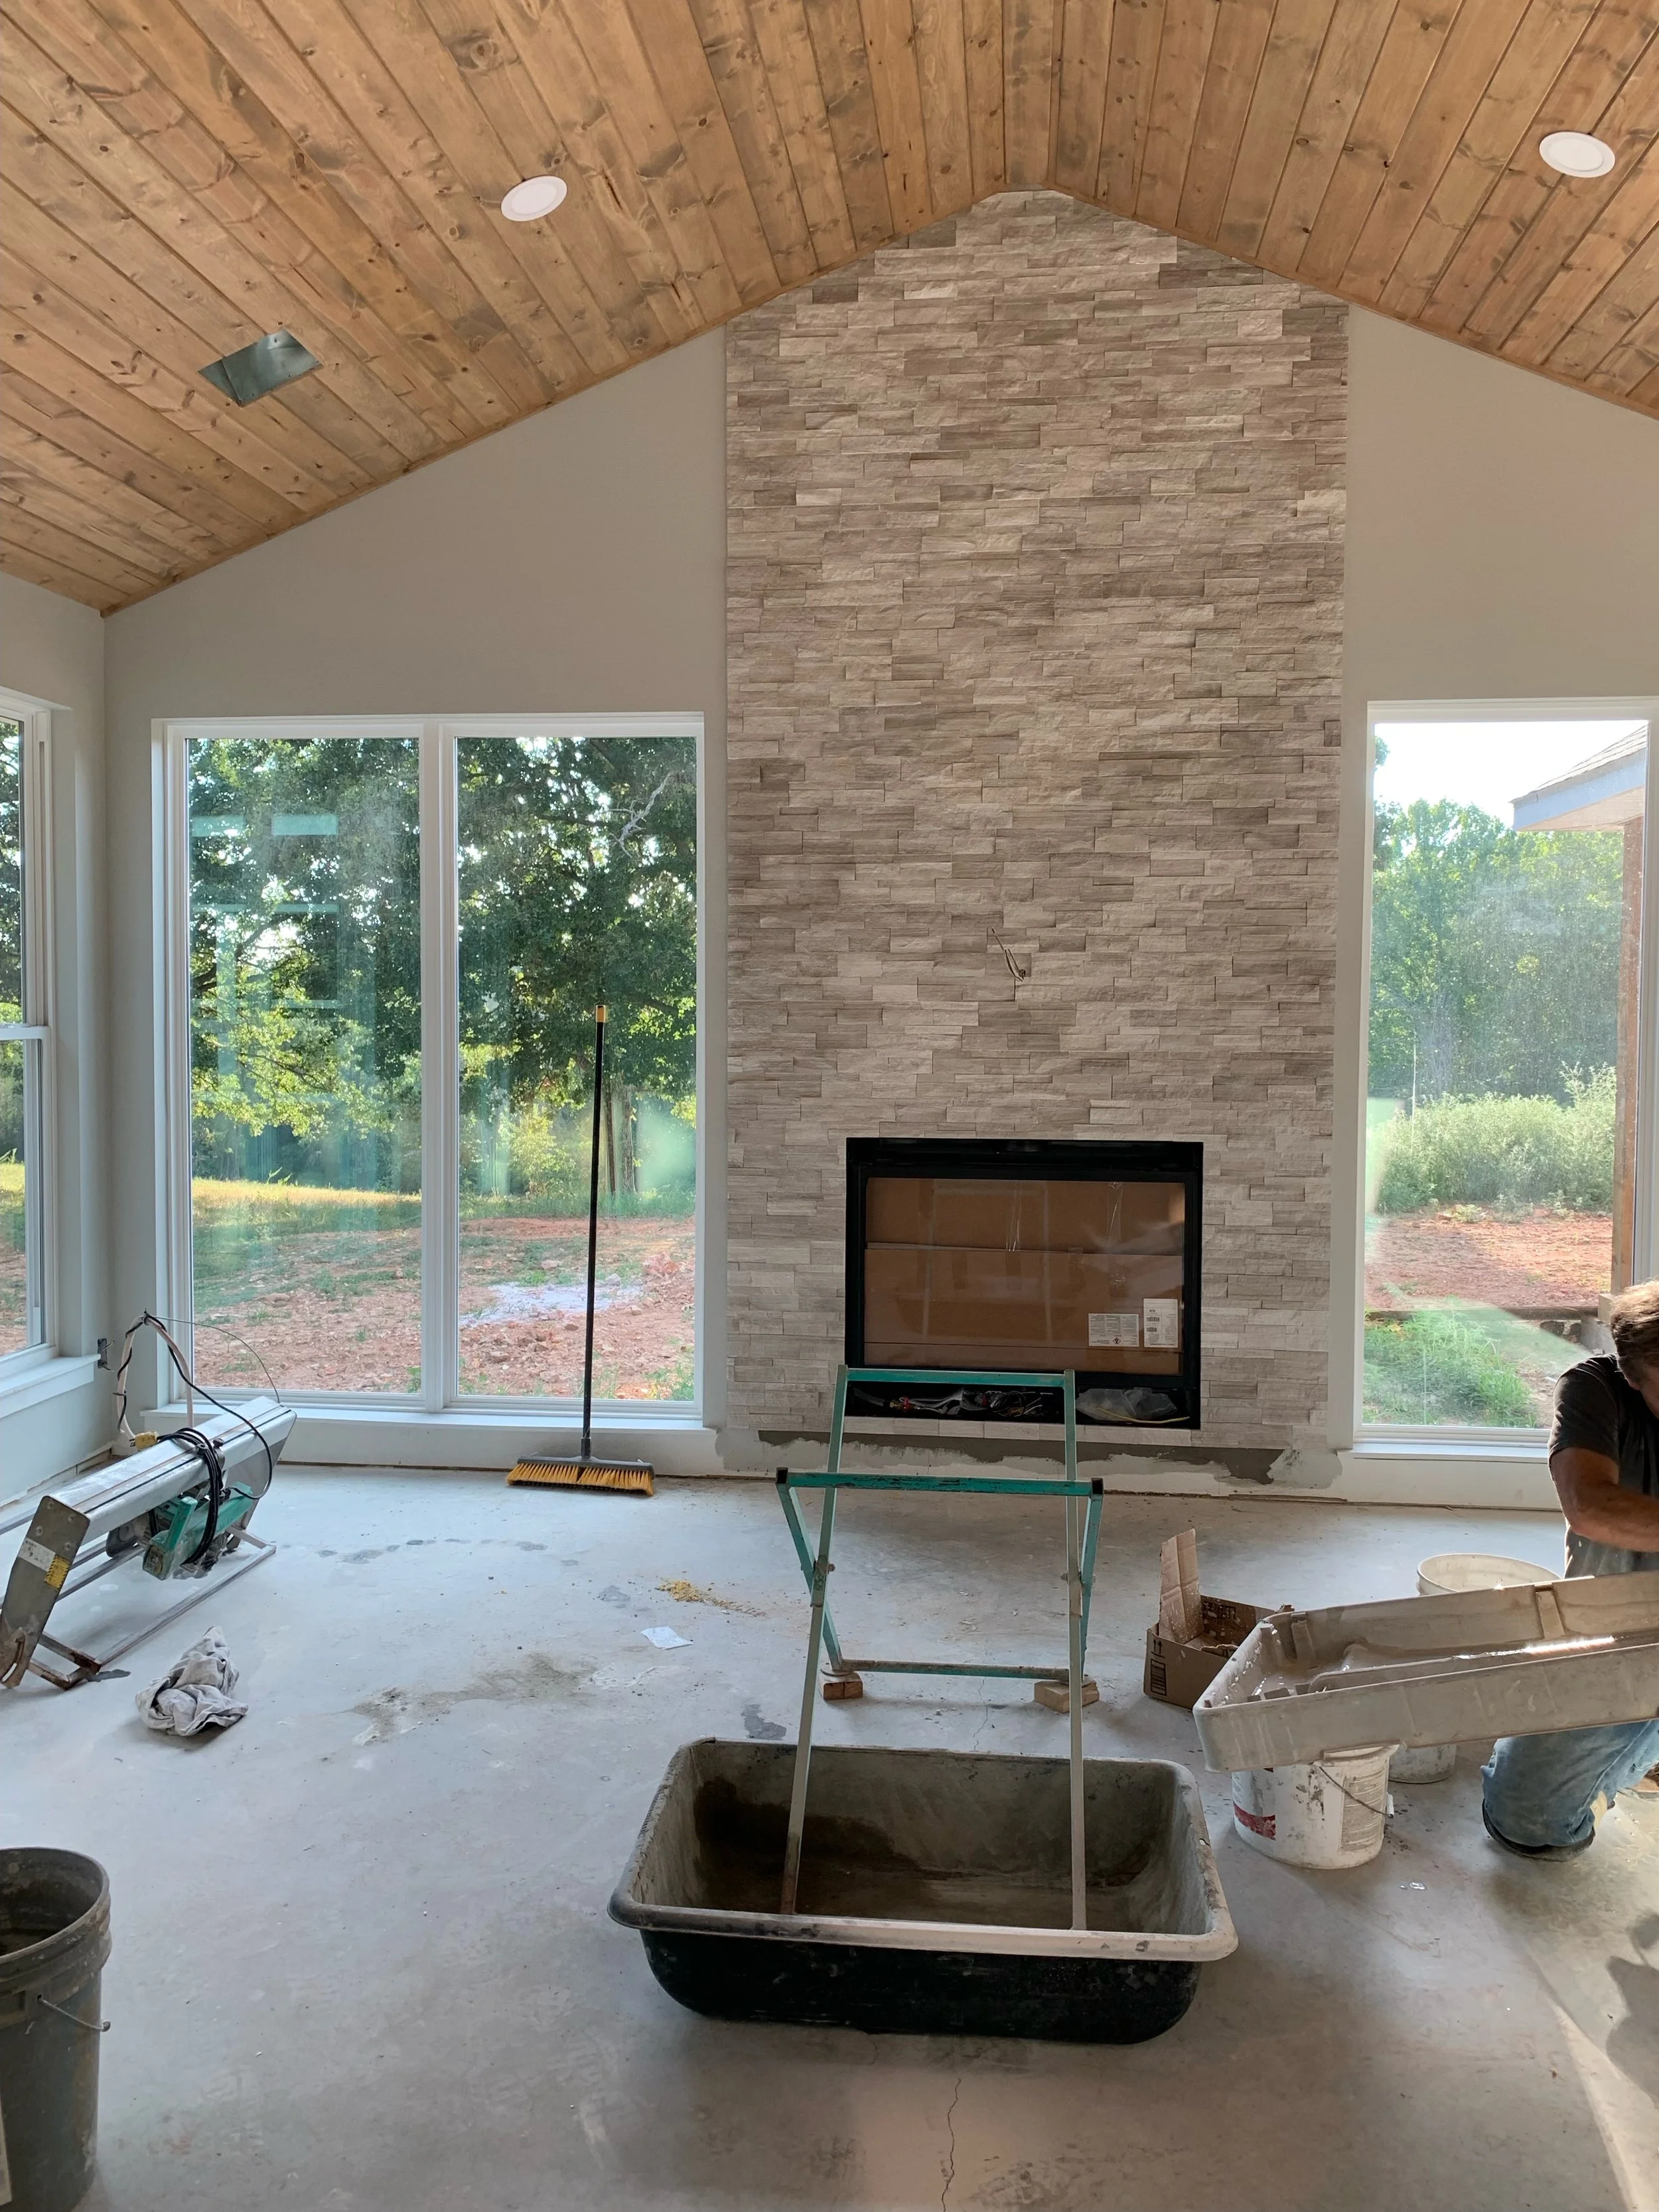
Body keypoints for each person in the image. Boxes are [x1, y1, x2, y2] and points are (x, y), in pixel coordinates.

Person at [1482, 1280, 1659, 1858]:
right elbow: (1590, 1507)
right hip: (1617, 1637)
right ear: (1633, 1376)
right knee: (1526, 1819)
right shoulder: (1595, 1387)